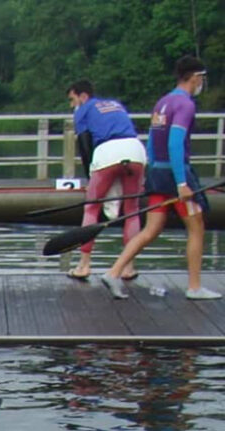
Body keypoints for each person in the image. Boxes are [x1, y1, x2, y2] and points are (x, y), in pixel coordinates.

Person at [101, 56, 220, 301]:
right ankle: (195, 287)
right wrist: (181, 184)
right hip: (176, 175)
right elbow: (175, 143)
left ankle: (114, 272)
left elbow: (153, 143)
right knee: (196, 226)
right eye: (202, 78)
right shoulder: (185, 105)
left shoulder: (163, 102)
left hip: (157, 172)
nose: (202, 83)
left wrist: (150, 174)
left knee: (151, 228)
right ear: (195, 77)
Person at [65, 80, 145, 282]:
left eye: (72, 99)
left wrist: (90, 177)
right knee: (132, 211)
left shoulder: (82, 110)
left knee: (91, 208)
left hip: (108, 151)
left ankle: (84, 264)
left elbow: (84, 144)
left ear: (82, 96)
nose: (71, 104)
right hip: (135, 150)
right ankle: (128, 266)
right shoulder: (115, 104)